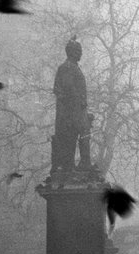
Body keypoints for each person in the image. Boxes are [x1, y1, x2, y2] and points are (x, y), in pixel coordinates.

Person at [52, 36, 91, 172]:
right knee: (73, 138)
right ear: (72, 52)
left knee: (79, 136)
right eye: (78, 50)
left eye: (80, 50)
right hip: (70, 113)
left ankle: (80, 165)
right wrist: (79, 104)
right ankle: (72, 167)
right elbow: (66, 89)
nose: (80, 53)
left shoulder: (73, 67)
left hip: (76, 111)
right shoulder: (67, 67)